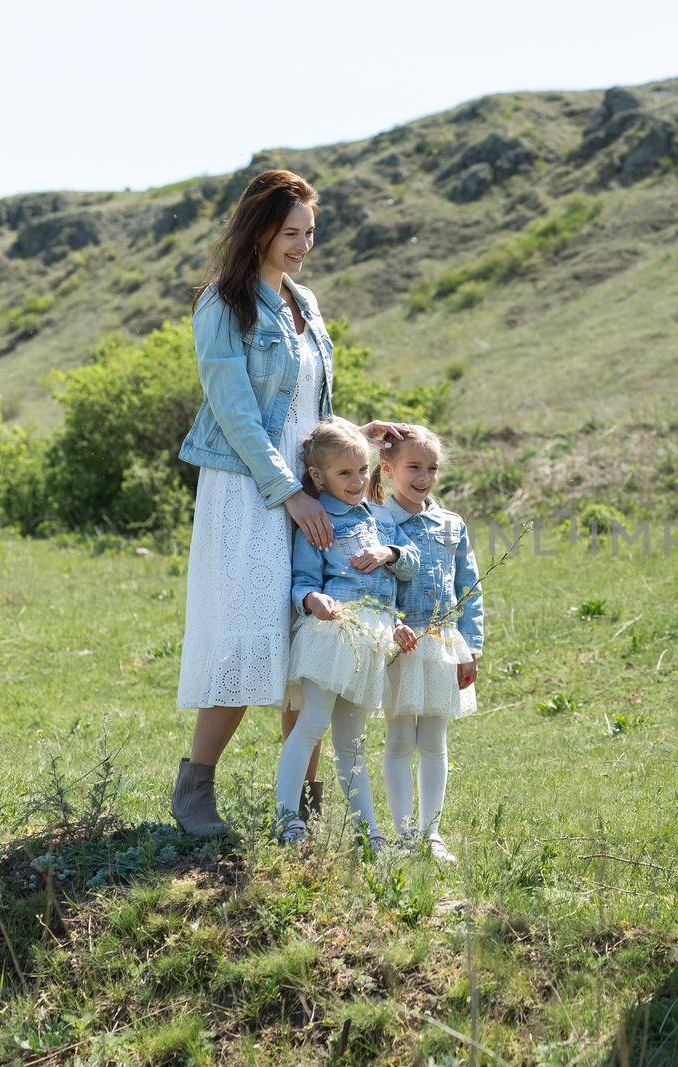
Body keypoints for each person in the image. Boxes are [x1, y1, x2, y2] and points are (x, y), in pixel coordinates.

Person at [173, 169, 407, 837]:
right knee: (246, 630)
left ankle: (299, 809)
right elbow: (239, 412)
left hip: (305, 489)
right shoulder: (224, 302)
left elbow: (309, 414)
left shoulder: (304, 302)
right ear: (260, 228)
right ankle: (194, 790)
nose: (303, 244)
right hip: (248, 490)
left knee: (306, 639)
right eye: (291, 232)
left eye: (310, 232)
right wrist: (287, 493)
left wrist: (351, 445)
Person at [277, 419, 419, 846]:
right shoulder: (318, 520)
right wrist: (311, 601)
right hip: (335, 633)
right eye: (345, 474)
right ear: (318, 477)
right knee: (312, 724)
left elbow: (406, 566)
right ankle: (289, 818)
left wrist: (388, 553)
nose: (357, 481)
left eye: (362, 471)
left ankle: (366, 830)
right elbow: (303, 579)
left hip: (372, 638)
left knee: (353, 742)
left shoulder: (379, 518)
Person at [371, 427, 483, 862]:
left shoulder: (451, 524)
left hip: (441, 643)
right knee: (399, 740)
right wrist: (388, 627)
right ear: (388, 469)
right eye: (413, 466)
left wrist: (469, 647)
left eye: (431, 468)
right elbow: (372, 584)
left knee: (435, 740)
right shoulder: (376, 522)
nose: (423, 476)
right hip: (399, 643)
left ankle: (432, 835)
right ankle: (404, 833)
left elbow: (469, 587)